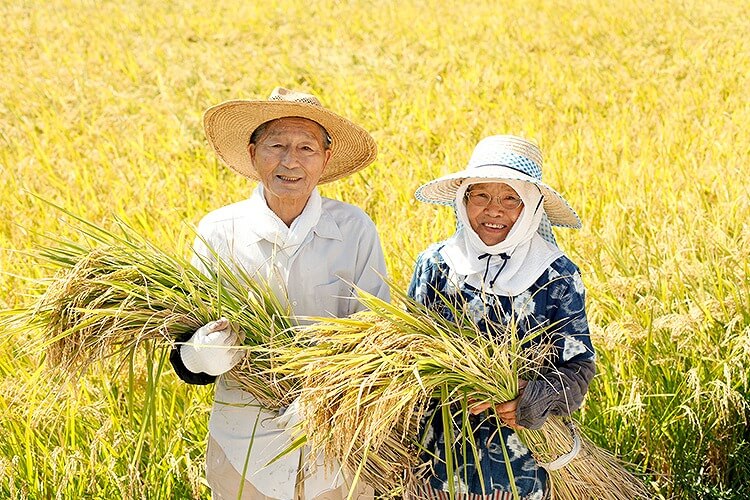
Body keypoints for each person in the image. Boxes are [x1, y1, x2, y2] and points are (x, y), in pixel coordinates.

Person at [169, 87, 390, 500]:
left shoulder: (354, 229)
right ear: (253, 154)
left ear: (325, 159)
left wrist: (325, 395)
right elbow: (183, 346)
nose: (290, 161)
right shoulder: (220, 231)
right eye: (277, 145)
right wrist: (202, 354)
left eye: (306, 147)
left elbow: (378, 337)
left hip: (338, 444)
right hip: (244, 449)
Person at [407, 135, 596, 499]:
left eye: (511, 198)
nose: (494, 210)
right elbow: (406, 349)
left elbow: (579, 367)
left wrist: (533, 396)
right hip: (438, 462)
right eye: (481, 196)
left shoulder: (556, 275)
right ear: (463, 202)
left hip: (521, 468)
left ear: (532, 209)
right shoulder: (437, 266)